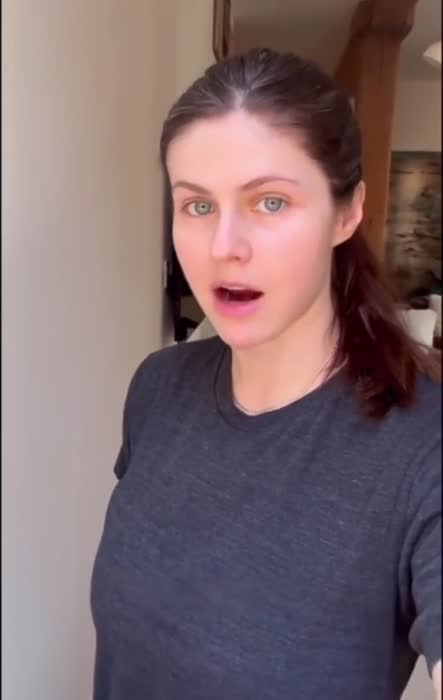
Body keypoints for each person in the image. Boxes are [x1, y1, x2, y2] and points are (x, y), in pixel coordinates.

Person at [90, 48, 442, 700]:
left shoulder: (424, 449)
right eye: (197, 206)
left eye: (270, 202)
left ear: (347, 212)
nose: (224, 247)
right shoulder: (158, 389)